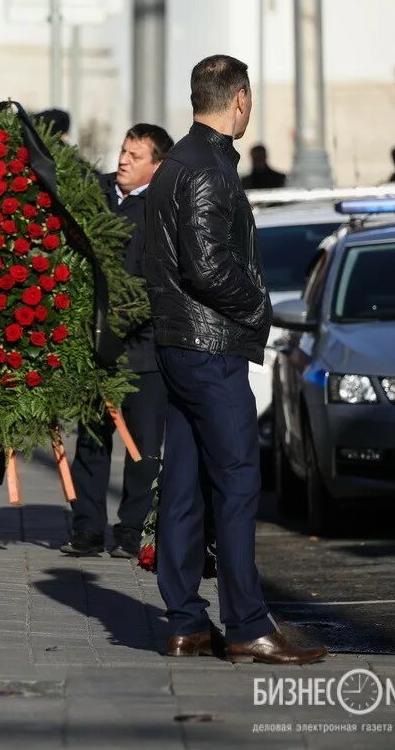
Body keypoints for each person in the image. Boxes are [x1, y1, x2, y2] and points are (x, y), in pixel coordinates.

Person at [143, 55, 326, 664]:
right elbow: (209, 268)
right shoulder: (205, 169)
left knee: (185, 487)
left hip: (180, 344)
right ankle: (247, 623)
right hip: (208, 348)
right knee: (239, 483)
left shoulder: (178, 164)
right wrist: (259, 307)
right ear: (240, 99)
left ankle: (185, 624)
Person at [61, 123, 173, 560]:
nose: (123, 160)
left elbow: (159, 280)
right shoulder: (98, 194)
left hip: (143, 351)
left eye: (135, 155)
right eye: (123, 151)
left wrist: (126, 319)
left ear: (156, 166)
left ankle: (130, 532)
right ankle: (87, 529)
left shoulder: (163, 209)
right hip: (93, 346)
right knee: (91, 442)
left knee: (142, 448)